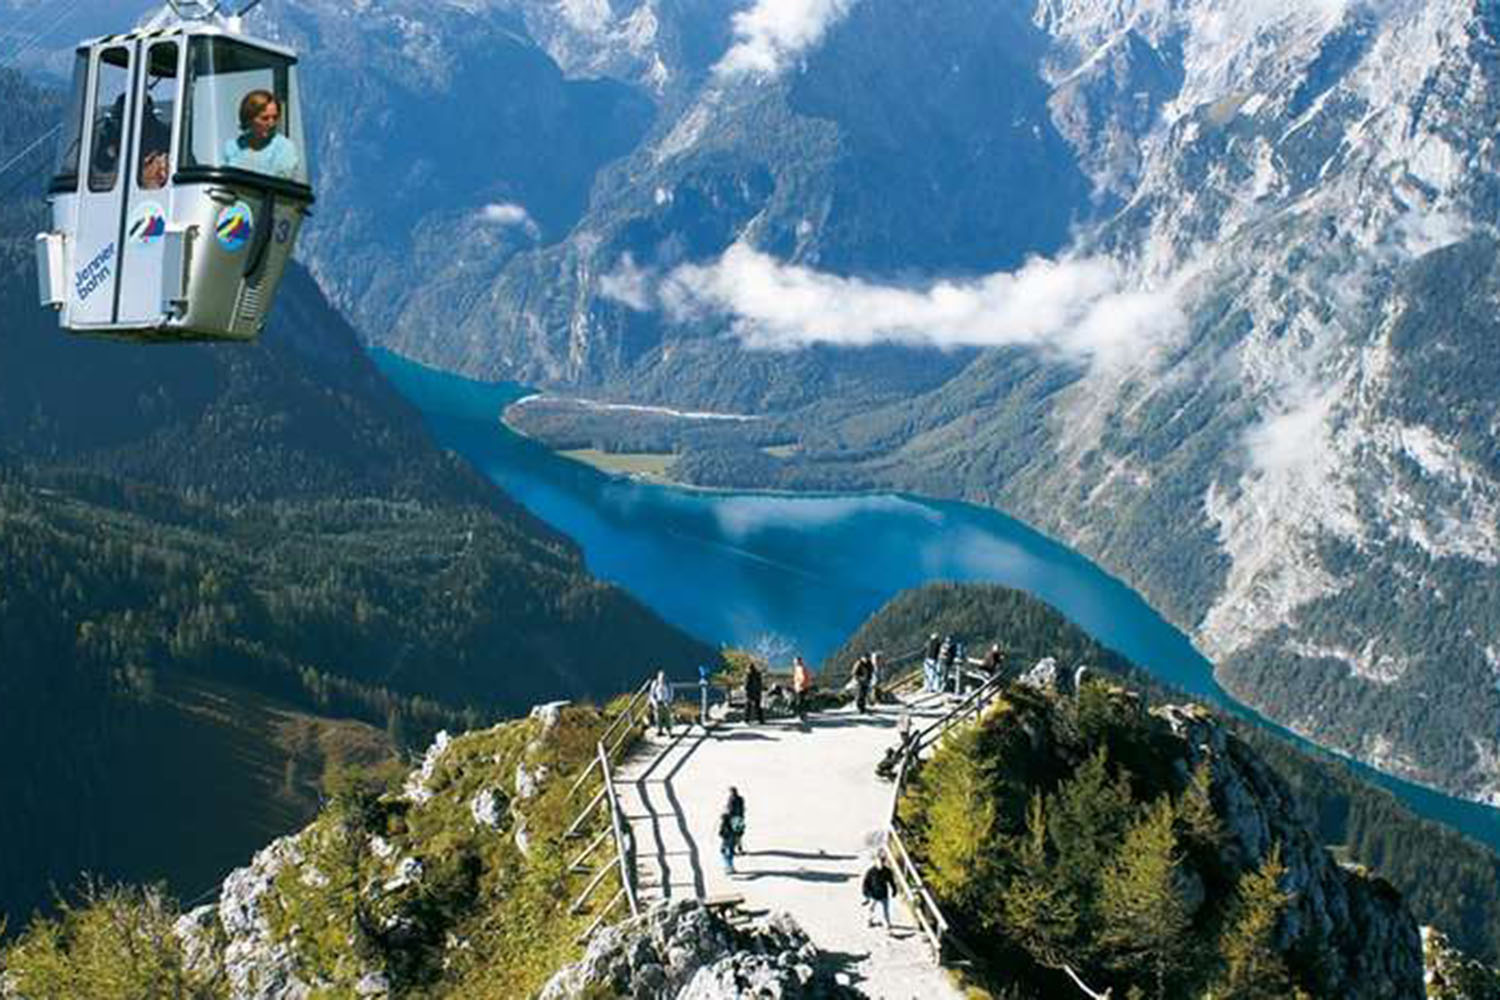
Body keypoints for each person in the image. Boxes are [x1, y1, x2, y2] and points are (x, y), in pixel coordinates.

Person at [224, 89, 299, 179]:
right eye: (265, 118)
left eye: (275, 118)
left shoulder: (284, 147)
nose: (271, 123)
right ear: (249, 119)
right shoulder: (232, 147)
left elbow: (281, 182)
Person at [861, 856, 895, 929]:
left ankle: (886, 923)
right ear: (876, 862)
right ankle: (869, 921)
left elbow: (891, 881)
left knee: (885, 910)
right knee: (871, 908)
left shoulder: (887, 871)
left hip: (883, 893)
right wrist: (866, 893)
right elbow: (866, 882)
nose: (881, 864)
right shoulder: (871, 871)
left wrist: (894, 890)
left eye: (882, 862)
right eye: (879, 862)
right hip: (873, 893)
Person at [649, 670, 673, 737]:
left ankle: (669, 731)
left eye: (663, 677)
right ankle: (659, 730)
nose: (662, 678)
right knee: (658, 717)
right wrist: (654, 702)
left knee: (667, 717)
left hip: (666, 702)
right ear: (658, 677)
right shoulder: (655, 684)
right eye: (661, 677)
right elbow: (651, 694)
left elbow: (671, 693)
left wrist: (669, 701)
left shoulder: (668, 684)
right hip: (658, 702)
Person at [726, 787, 746, 855]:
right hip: (740, 818)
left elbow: (730, 809)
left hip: (734, 819)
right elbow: (742, 808)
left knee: (734, 834)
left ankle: (733, 849)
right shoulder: (740, 799)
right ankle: (739, 848)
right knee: (739, 834)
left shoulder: (731, 799)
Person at [792, 655, 812, 721]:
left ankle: (801, 716)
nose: (794, 662)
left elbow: (804, 678)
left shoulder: (801, 668)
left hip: (801, 688)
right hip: (801, 687)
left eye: (795, 661)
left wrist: (800, 684)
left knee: (800, 702)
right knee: (801, 702)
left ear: (798, 661)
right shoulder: (800, 668)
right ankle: (802, 715)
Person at [744, 660, 765, 725]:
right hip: (757, 693)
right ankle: (761, 720)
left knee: (748, 707)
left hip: (750, 693)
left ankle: (746, 720)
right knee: (758, 707)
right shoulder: (758, 674)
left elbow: (747, 684)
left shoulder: (748, 675)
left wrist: (746, 690)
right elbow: (760, 684)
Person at [718, 808, 737, 874]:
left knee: (724, 852)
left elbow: (721, 833)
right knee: (730, 852)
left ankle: (728, 867)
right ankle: (731, 867)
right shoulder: (732, 821)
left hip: (726, 839)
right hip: (732, 839)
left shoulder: (724, 823)